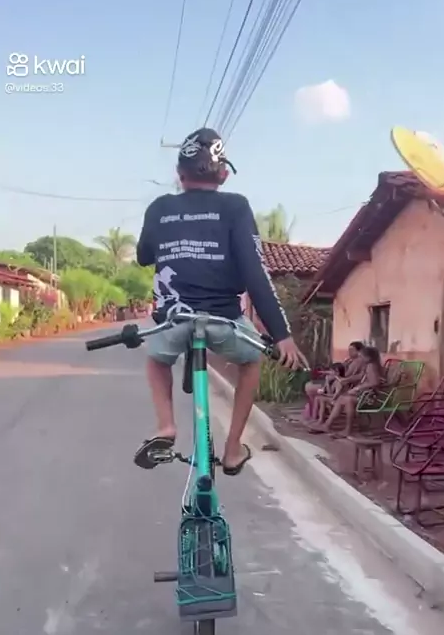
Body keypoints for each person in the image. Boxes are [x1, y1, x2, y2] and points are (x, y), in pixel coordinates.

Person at [135, 127, 308, 474]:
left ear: (179, 174)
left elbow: (143, 256)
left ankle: (166, 426)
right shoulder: (235, 207)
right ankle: (232, 449)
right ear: (224, 174)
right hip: (224, 320)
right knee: (251, 361)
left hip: (174, 319)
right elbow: (255, 273)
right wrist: (281, 334)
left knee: (156, 361)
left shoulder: (159, 208)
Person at [309, 345, 383, 437]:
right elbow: (360, 376)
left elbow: (374, 382)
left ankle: (346, 429)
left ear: (368, 357)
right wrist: (346, 380)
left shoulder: (372, 366)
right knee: (342, 399)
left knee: (347, 400)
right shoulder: (368, 365)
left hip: (371, 397)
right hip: (365, 395)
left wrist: (357, 388)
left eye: (362, 356)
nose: (360, 358)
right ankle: (328, 425)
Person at [304, 341, 364, 421]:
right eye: (349, 350)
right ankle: (317, 414)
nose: (349, 352)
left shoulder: (357, 362)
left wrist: (334, 375)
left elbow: (344, 375)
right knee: (311, 387)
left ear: (359, 351)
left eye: (352, 350)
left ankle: (318, 414)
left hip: (342, 385)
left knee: (310, 388)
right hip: (337, 382)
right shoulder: (350, 360)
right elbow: (338, 371)